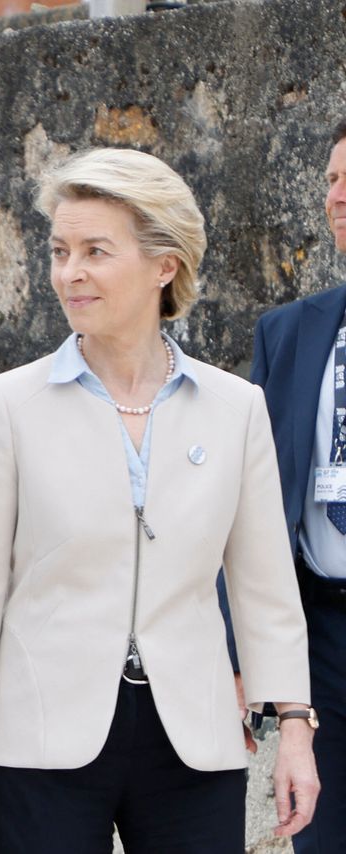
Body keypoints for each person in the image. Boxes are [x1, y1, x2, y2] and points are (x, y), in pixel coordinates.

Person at [0, 147, 318, 852]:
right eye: (59, 251)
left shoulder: (236, 408)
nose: (69, 273)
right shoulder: (6, 405)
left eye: (95, 252)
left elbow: (265, 587)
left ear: (163, 265)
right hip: (40, 743)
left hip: (194, 743)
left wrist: (294, 727)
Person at [249, 116, 346, 852]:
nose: (336, 198)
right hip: (322, 645)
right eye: (332, 182)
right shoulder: (286, 333)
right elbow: (249, 510)